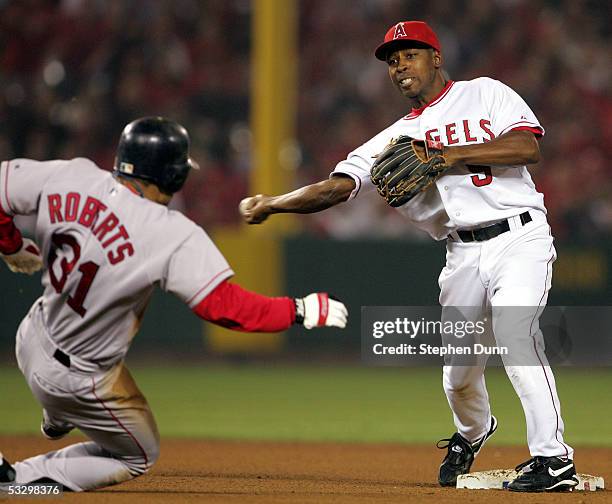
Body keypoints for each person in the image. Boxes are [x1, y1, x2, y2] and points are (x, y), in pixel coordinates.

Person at [239, 21, 578, 492]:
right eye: (392, 61)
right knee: (458, 376)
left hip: (519, 238)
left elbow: (527, 147)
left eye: (410, 54)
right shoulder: (395, 138)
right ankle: (474, 432)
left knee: (516, 333)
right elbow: (337, 187)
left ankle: (553, 459)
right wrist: (275, 203)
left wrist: (445, 153)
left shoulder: (486, 93)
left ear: (436, 58)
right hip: (461, 251)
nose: (400, 66)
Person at [0, 116, 348, 492]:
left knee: (76, 363)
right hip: (77, 378)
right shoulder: (170, 233)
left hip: (31, 337)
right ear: (173, 175)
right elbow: (227, 308)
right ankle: (17, 481)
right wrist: (299, 310)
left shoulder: (69, 174)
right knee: (138, 456)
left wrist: (12, 245)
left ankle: (57, 416)